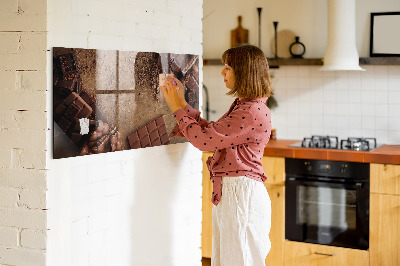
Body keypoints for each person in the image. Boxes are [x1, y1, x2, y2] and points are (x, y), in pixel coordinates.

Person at [161, 44, 273, 266]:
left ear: (244, 72)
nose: (222, 72)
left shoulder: (250, 111)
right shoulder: (246, 106)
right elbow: (212, 133)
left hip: (241, 195)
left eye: (228, 67)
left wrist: (176, 108)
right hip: (236, 193)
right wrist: (183, 103)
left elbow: (204, 141)